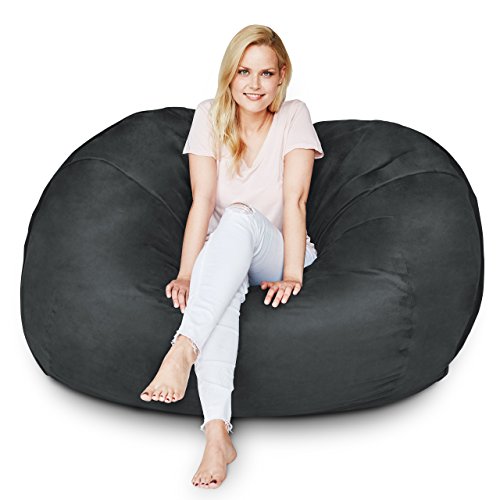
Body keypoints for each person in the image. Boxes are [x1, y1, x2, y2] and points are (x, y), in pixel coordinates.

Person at [139, 24, 324, 489]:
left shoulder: (294, 115)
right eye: (244, 71)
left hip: (278, 248)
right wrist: (186, 272)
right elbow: (202, 201)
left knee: (238, 218)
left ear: (282, 76)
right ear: (229, 74)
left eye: (266, 73)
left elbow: (296, 199)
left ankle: (184, 347)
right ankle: (217, 435)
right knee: (219, 291)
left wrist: (292, 273)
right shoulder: (208, 116)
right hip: (225, 251)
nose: (254, 84)